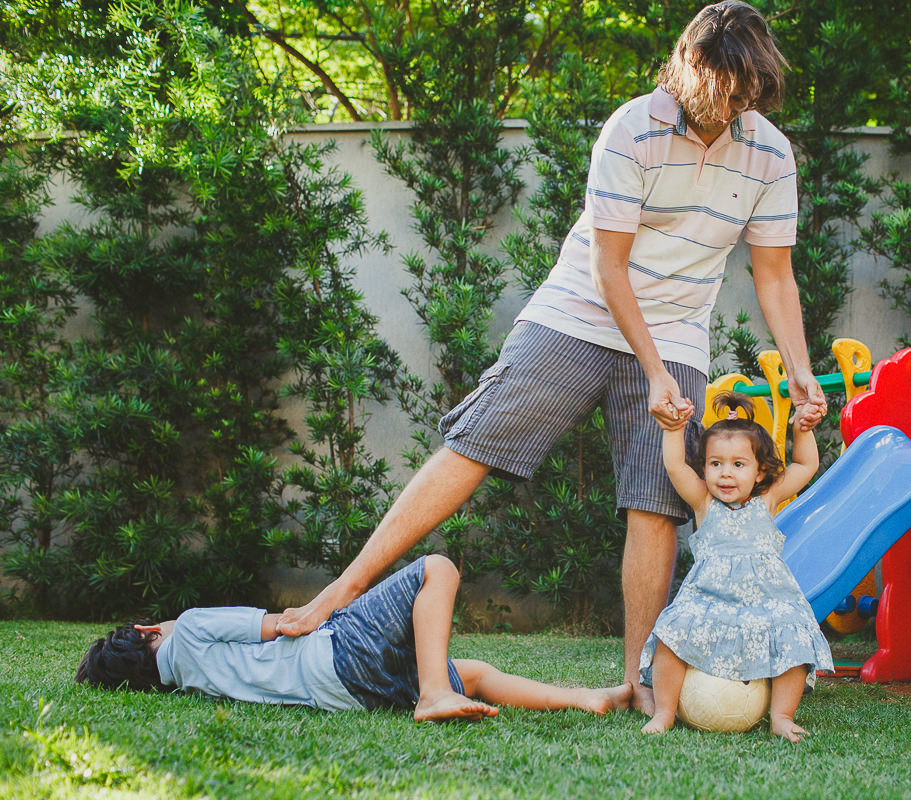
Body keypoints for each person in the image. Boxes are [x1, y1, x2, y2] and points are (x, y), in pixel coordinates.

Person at [277, 1, 828, 717]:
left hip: (679, 330)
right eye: (724, 91)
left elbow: (775, 274)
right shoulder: (631, 129)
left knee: (657, 499)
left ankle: (639, 679)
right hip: (579, 311)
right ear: (692, 69)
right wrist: (652, 369)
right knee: (475, 441)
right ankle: (340, 591)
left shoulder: (770, 153)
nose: (735, 107)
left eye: (747, 93)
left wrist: (800, 368)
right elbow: (609, 267)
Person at [77, 554, 632, 719]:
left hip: (347, 696)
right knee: (437, 568)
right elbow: (283, 624)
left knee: (476, 674)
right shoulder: (191, 627)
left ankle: (586, 698)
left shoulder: (188, 685)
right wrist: (325, 604)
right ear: (149, 631)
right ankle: (434, 693)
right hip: (336, 653)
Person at [639, 392, 834, 741]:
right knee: (670, 635)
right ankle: (664, 712)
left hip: (767, 603)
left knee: (794, 640)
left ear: (760, 472)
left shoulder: (767, 499)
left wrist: (803, 431)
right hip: (708, 601)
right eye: (715, 464)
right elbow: (675, 466)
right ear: (704, 468)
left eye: (738, 465)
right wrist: (673, 429)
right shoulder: (703, 501)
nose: (725, 474)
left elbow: (805, 466)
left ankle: (782, 716)